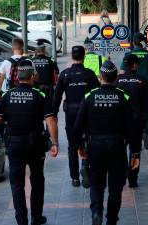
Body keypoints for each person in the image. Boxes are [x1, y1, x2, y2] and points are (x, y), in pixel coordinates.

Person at [0, 60, 59, 225]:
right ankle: (36, 217)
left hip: (14, 145)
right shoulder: (40, 95)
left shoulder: (7, 95)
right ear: (32, 76)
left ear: (18, 77)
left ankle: (21, 220)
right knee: (37, 181)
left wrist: (8, 117)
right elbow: (50, 120)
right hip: (35, 144)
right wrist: (55, 143)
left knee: (17, 184)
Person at [74, 61, 138, 225]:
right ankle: (111, 220)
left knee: (96, 184)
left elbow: (78, 125)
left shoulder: (89, 96)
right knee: (115, 188)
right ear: (116, 78)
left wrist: (79, 146)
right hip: (117, 146)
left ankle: (96, 212)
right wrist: (135, 152)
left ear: (100, 77)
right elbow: (132, 127)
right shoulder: (124, 97)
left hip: (95, 146)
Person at [53, 46, 100, 188]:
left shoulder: (65, 74)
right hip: (87, 115)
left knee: (72, 146)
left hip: (71, 114)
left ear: (72, 57)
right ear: (84, 56)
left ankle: (74, 178)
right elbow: (96, 94)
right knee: (89, 142)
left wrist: (53, 115)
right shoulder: (89, 74)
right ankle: (85, 166)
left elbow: (57, 97)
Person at [120, 32, 148, 149]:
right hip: (147, 86)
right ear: (143, 42)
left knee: (132, 109)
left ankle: (134, 136)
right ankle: (146, 133)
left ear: (133, 42)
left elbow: (122, 73)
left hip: (131, 86)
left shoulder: (128, 55)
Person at [117, 54, 148, 188]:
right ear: (134, 65)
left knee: (120, 149)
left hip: (119, 122)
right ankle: (132, 178)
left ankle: (123, 171)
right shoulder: (142, 80)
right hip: (136, 122)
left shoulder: (117, 80)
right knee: (135, 150)